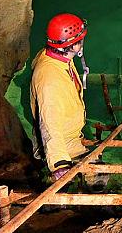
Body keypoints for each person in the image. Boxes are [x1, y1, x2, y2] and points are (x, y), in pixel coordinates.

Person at [30, 13, 88, 181]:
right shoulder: (49, 78)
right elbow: (49, 124)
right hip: (61, 145)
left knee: (99, 173)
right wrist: (60, 163)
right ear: (73, 46)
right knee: (97, 180)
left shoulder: (58, 59)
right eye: (81, 39)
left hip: (72, 138)